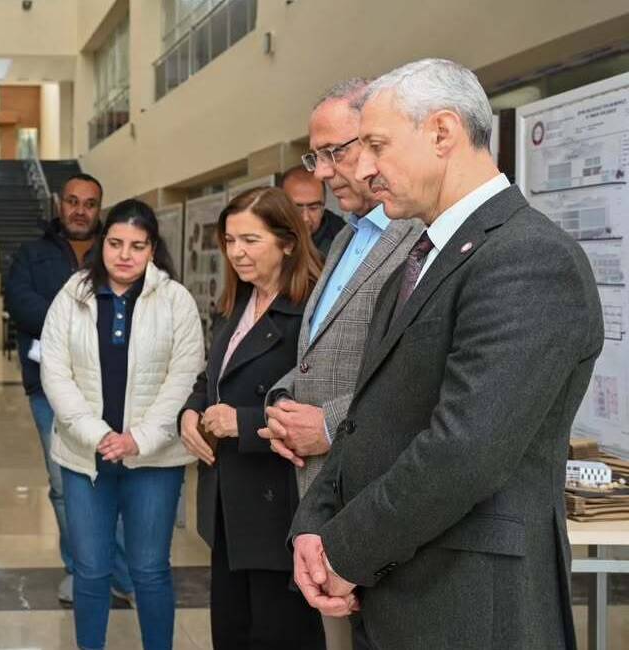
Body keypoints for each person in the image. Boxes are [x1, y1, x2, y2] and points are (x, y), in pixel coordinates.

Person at [289, 58, 603, 650]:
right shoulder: (419, 257)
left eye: (376, 145)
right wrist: (314, 523)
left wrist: (344, 549)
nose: (365, 167)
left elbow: (466, 449)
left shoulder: (529, 259)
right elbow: (368, 417)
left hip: (469, 606)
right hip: (397, 593)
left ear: (442, 132)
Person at [258, 79, 423, 649]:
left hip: (377, 496)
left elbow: (416, 374)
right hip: (323, 495)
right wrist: (280, 405)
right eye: (316, 156)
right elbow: (313, 353)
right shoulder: (349, 237)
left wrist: (329, 423)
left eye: (336, 153)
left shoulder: (419, 238)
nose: (323, 173)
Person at [40, 199, 202, 650]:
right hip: (84, 456)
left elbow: (185, 376)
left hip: (155, 459)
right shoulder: (72, 295)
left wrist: (139, 439)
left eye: (137, 245)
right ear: (101, 243)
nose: (124, 254)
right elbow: (55, 373)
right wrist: (100, 435)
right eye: (115, 243)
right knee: (90, 570)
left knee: (149, 569)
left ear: (153, 249)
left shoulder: (176, 301)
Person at [178, 187, 323, 649]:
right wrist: (190, 411)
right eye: (229, 239)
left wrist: (242, 422)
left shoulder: (310, 313)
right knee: (232, 632)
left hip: (276, 507)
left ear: (287, 242)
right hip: (228, 504)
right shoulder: (238, 303)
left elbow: (323, 406)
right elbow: (213, 376)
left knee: (276, 635)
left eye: (250, 240)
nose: (236, 252)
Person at [4, 173, 134, 604]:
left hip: (113, 387)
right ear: (60, 204)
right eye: (73, 201)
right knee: (65, 483)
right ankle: (80, 570)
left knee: (112, 476)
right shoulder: (31, 254)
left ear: (100, 208)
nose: (80, 210)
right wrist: (82, 327)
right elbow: (20, 303)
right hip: (50, 390)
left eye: (90, 203)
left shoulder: (118, 250)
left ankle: (117, 572)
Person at [281, 164, 346, 259]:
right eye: (297, 208)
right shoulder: (265, 233)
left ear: (323, 207)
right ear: (281, 206)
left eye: (313, 208)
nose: (305, 218)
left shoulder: (342, 240)